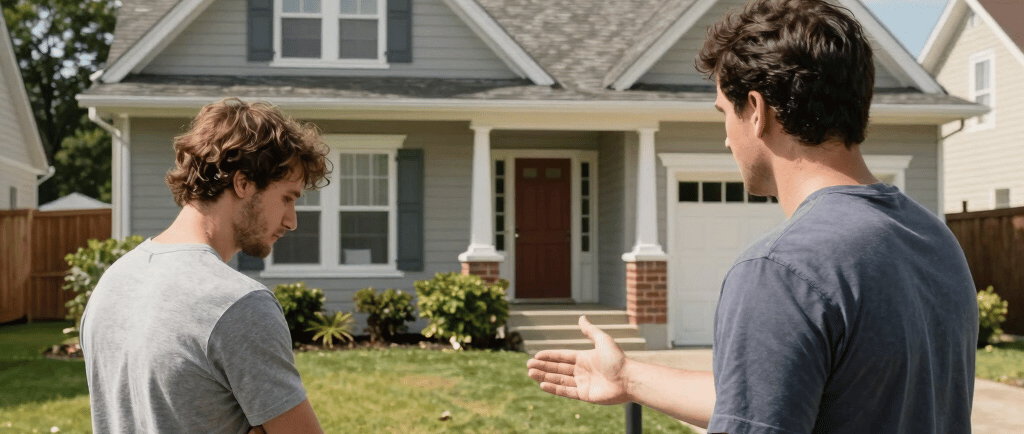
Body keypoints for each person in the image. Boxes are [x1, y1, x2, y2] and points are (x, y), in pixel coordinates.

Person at [526, 0, 978, 432]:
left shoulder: (781, 271)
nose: (726, 140)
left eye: (725, 112)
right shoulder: (935, 243)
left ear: (757, 112)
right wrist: (628, 377)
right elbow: (774, 402)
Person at [80, 98, 330, 433]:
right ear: (243, 183)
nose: (292, 221)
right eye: (287, 197)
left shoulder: (111, 284)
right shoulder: (239, 305)